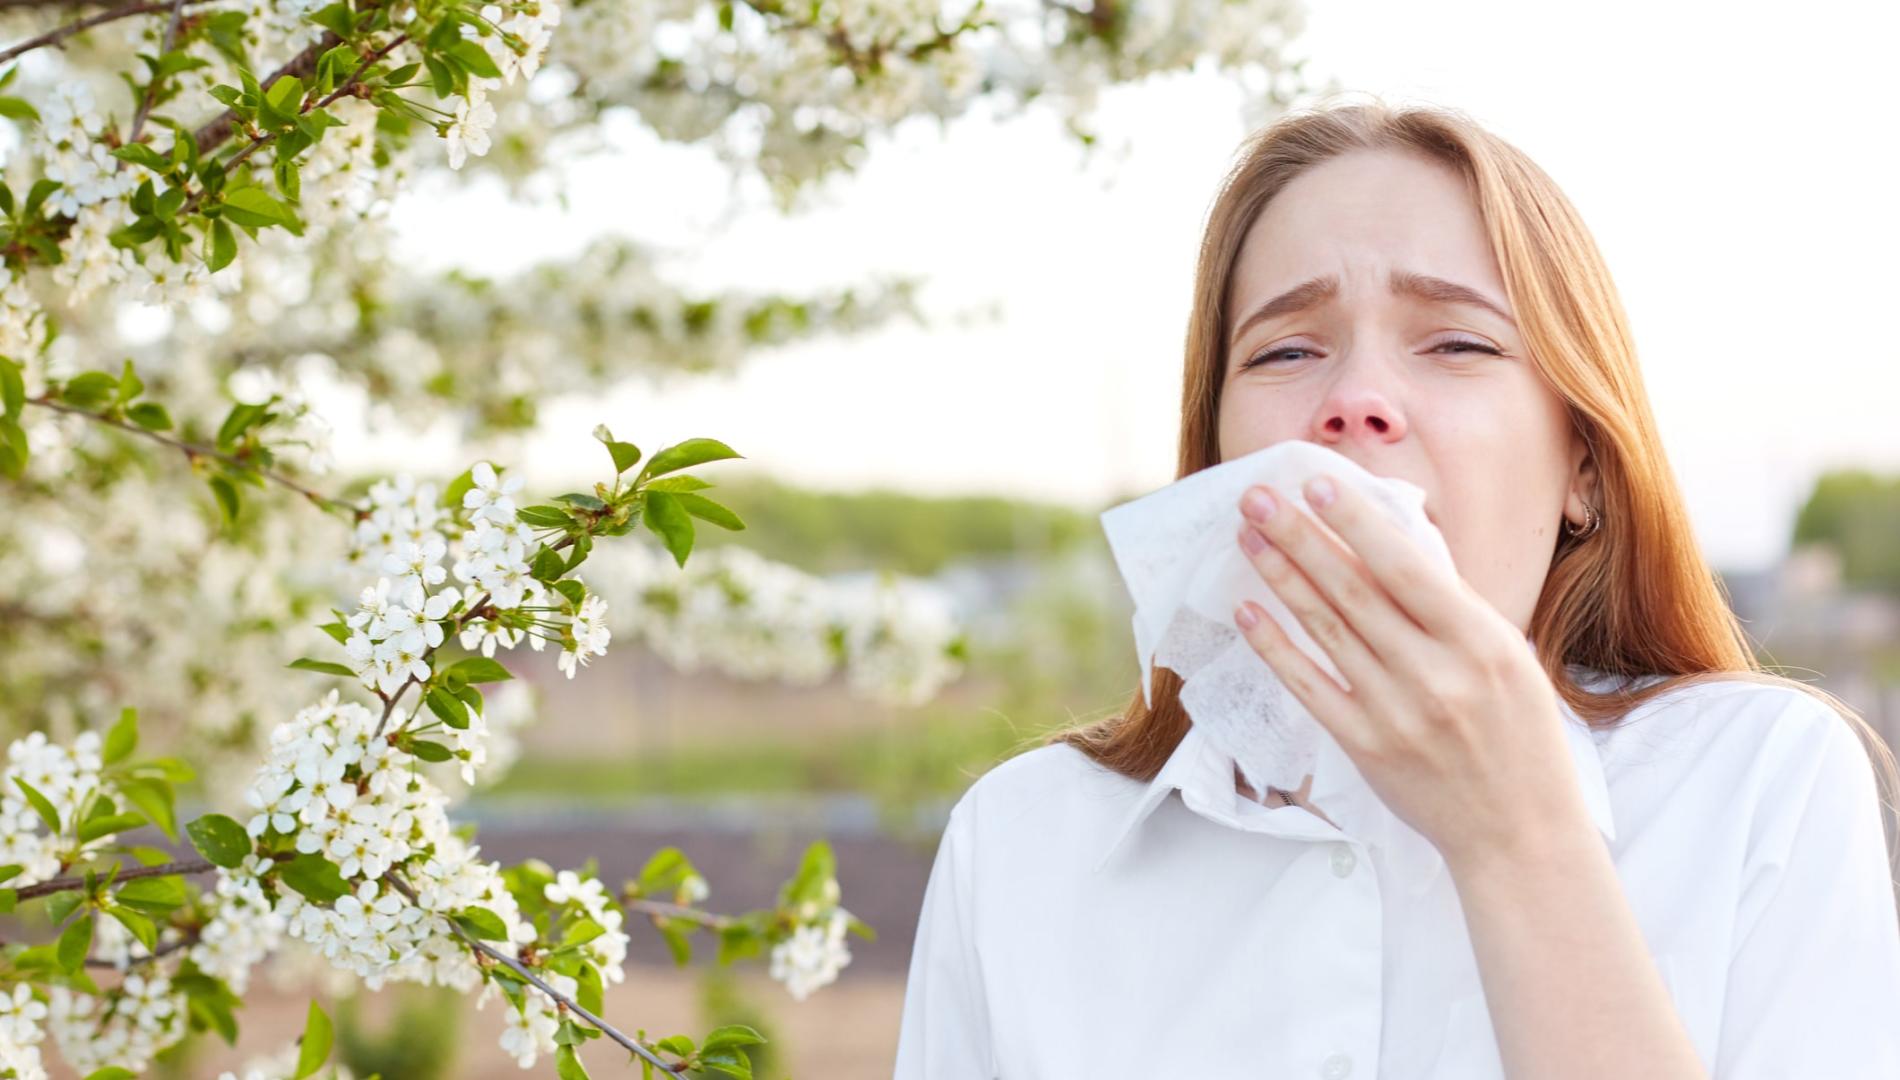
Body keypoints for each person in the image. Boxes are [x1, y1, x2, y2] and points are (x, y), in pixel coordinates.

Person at [890, 96, 1900, 1079]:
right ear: (1213, 465)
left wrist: (1516, 838)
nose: (1355, 403)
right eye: (1286, 350)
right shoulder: (1021, 840)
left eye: (1456, 342)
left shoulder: (1765, 783)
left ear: (1583, 468)